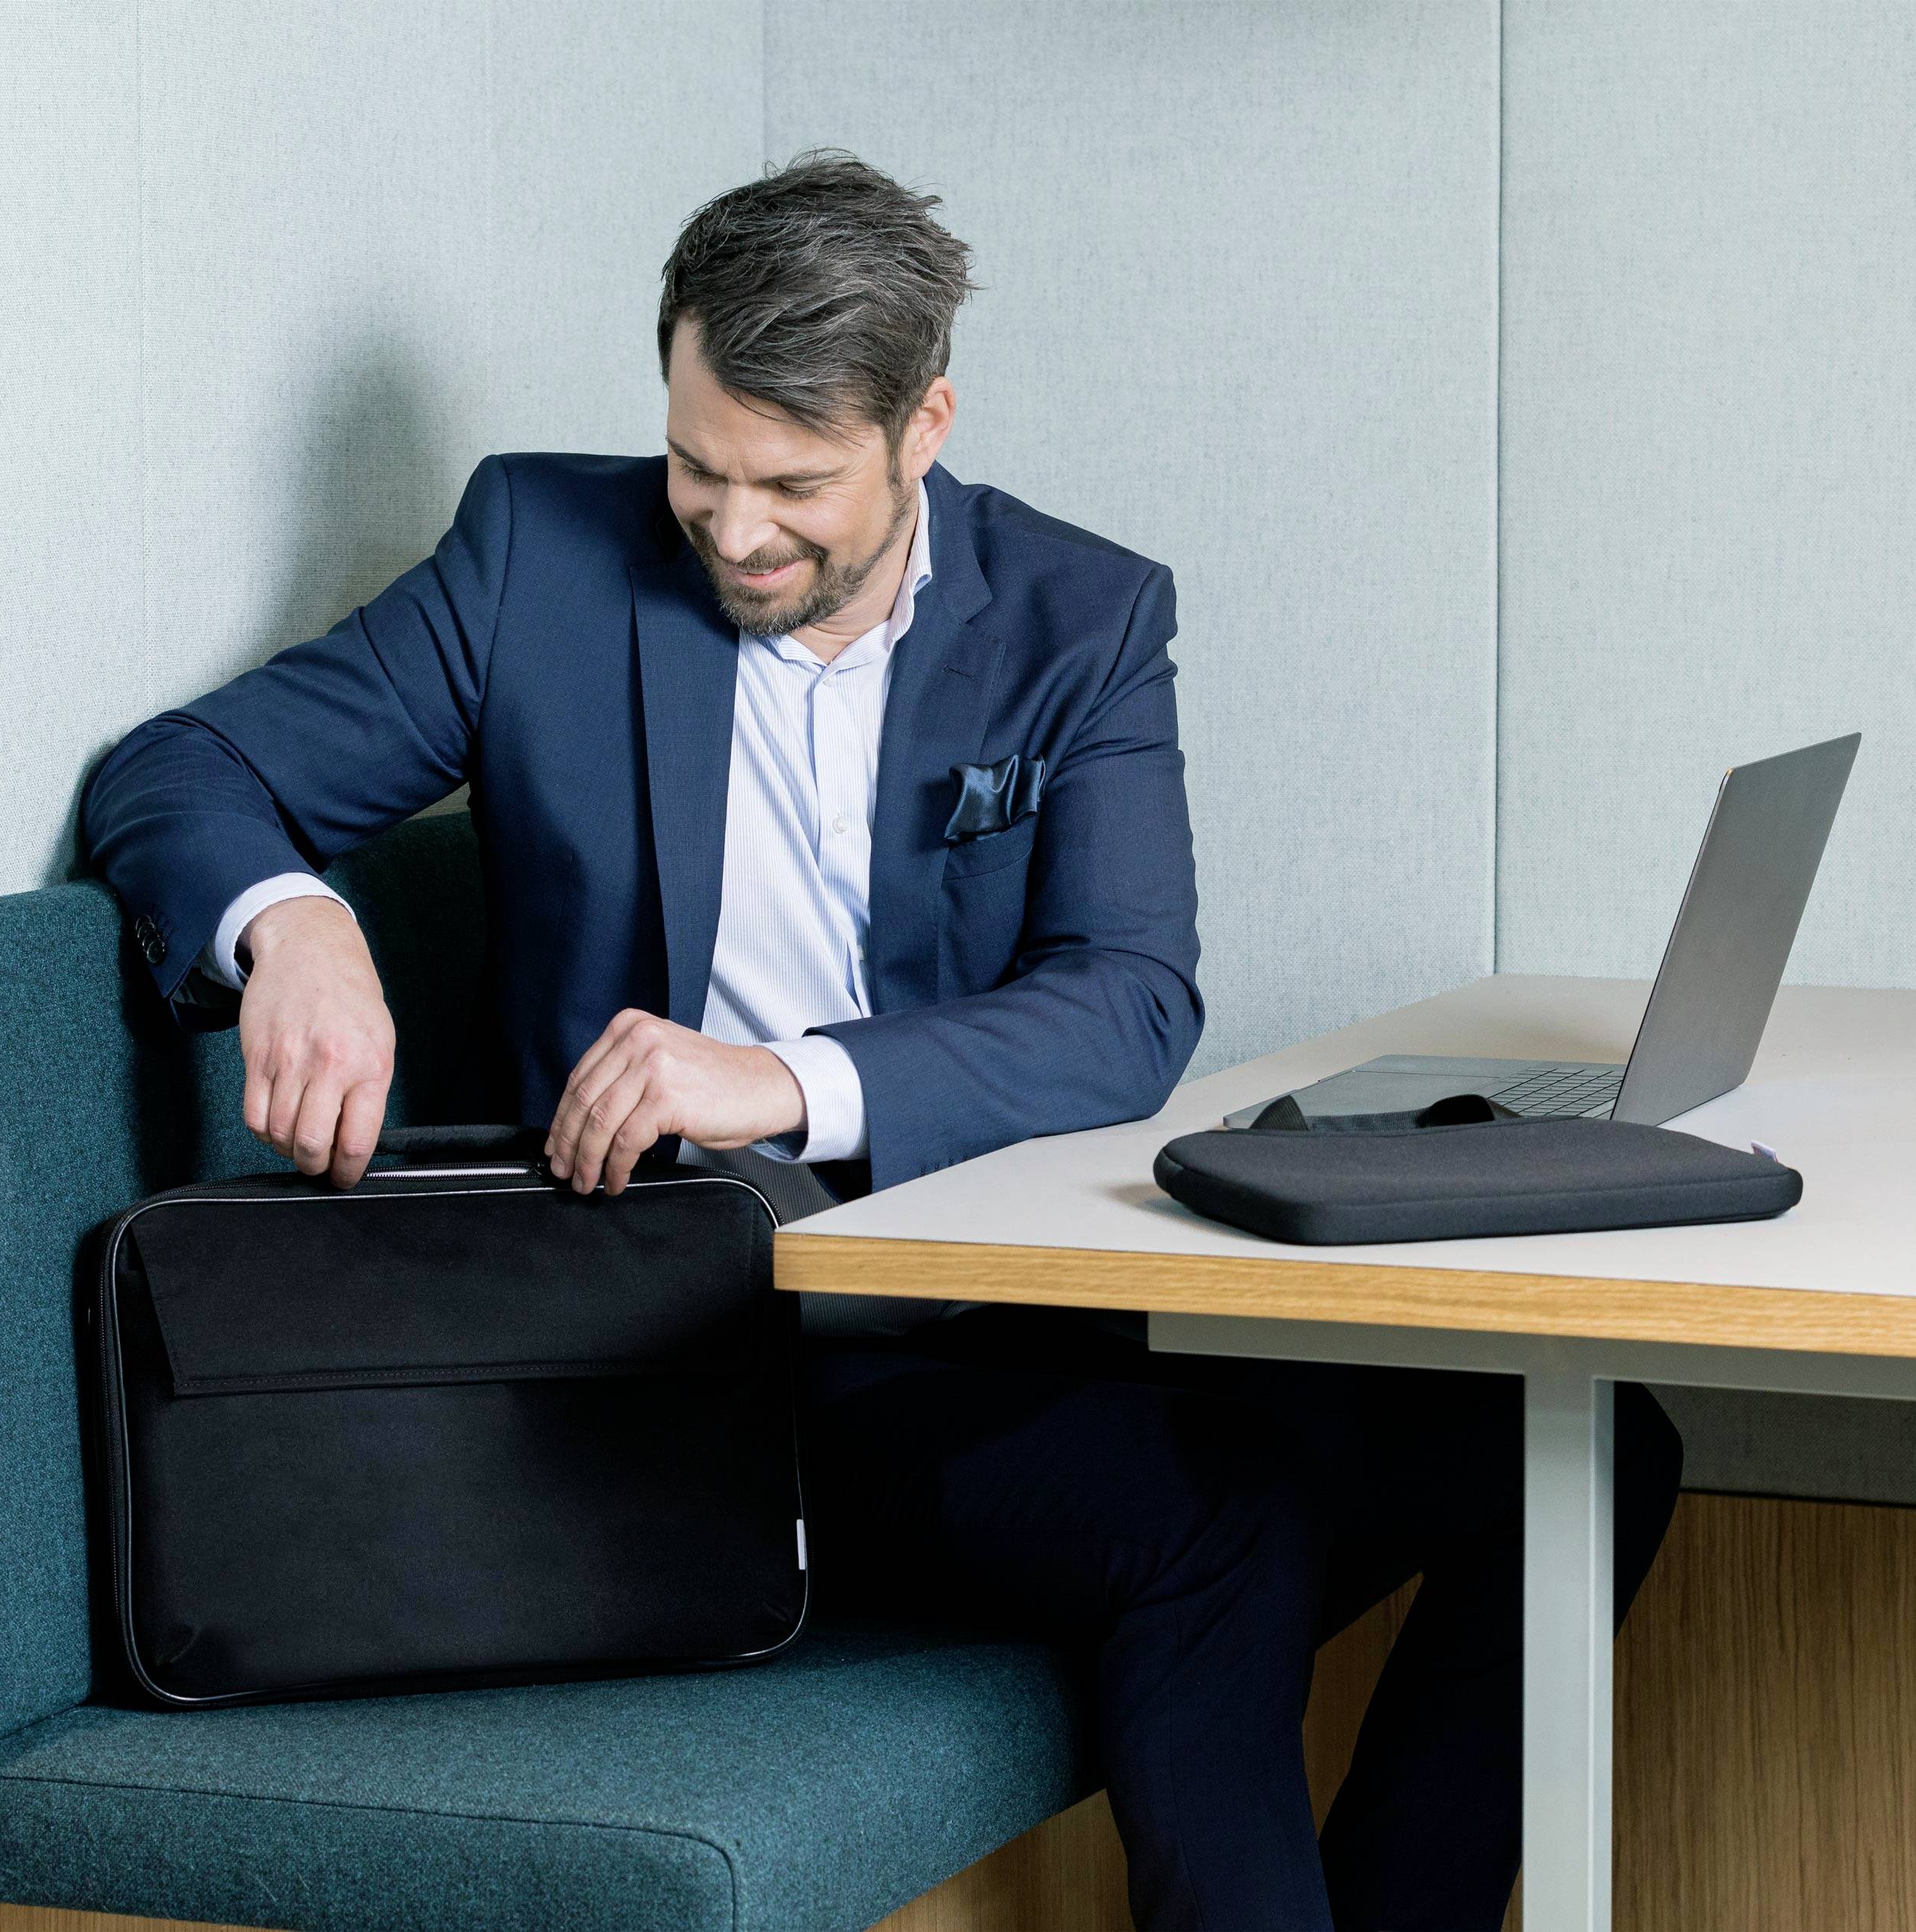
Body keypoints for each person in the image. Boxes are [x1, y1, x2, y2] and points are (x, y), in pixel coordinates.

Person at [83, 149, 1681, 1931]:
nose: (738, 526)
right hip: (674, 1353)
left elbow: (1132, 997)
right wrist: (291, 918)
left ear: (924, 424)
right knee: (1214, 1527)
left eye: (795, 482)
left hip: (1018, 1308)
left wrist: (788, 1076)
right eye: (699, 466)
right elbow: (179, 771)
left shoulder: (1079, 618)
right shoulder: (536, 554)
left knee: (1593, 1446)